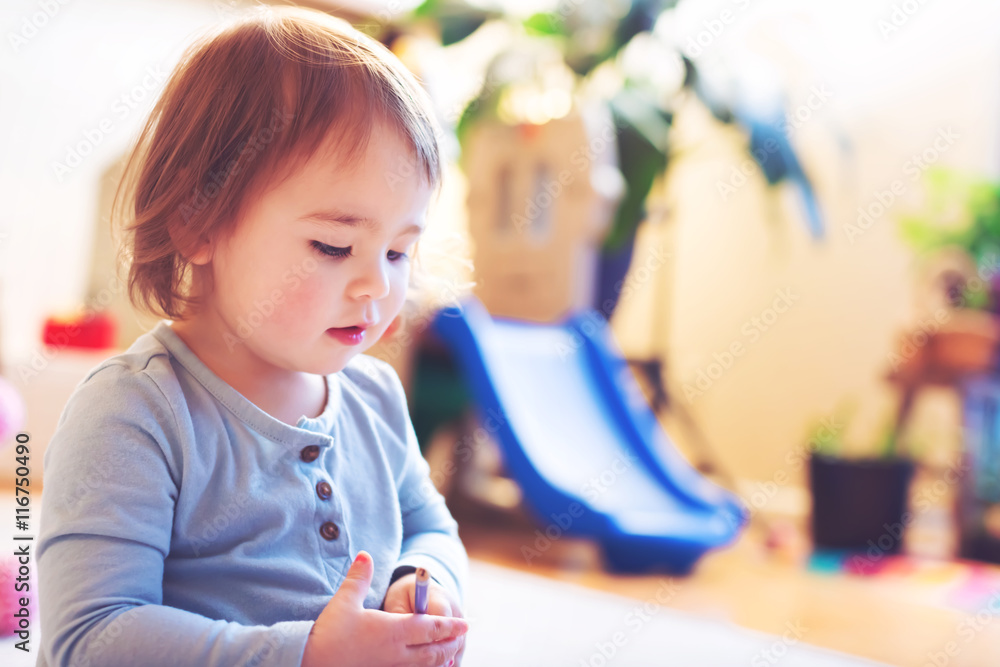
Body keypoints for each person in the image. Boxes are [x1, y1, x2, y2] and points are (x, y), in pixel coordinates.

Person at [36, 5, 469, 667]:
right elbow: (91, 639)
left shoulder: (377, 398)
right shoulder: (135, 413)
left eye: (398, 252)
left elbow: (430, 526)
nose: (376, 287)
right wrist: (304, 653)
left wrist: (423, 578)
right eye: (333, 246)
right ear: (196, 219)